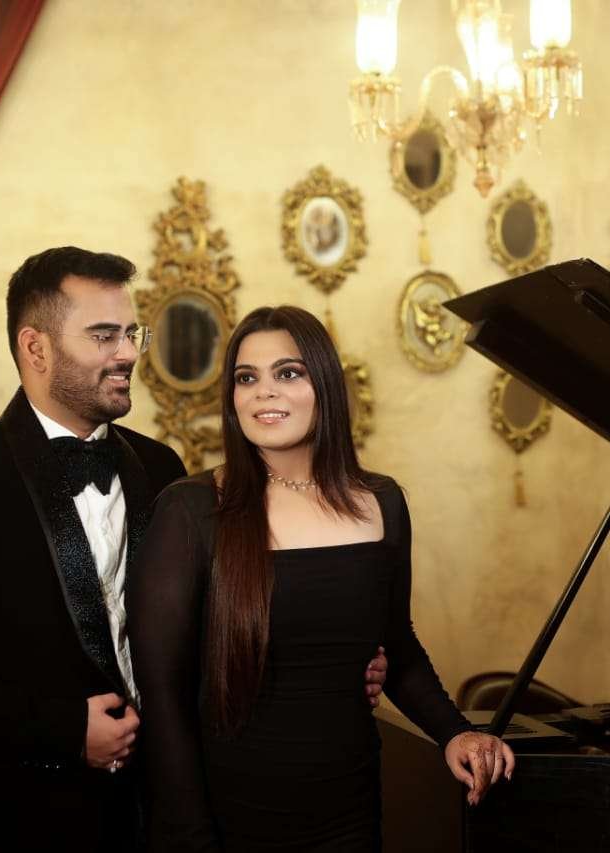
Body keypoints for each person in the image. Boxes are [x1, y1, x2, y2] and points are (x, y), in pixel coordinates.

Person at [0, 248, 389, 852]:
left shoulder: (162, 467)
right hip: (3, 814)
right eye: (103, 336)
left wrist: (335, 659)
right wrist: (64, 730)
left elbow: (203, 626)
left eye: (131, 333)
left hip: (150, 814)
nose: (128, 353)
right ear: (35, 348)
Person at [128, 305, 515, 852]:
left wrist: (455, 731)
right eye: (246, 378)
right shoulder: (191, 508)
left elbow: (397, 643)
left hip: (349, 811)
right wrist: (189, 831)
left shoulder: (382, 502)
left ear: (325, 386)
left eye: (288, 373)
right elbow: (161, 693)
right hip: (227, 816)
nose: (264, 392)